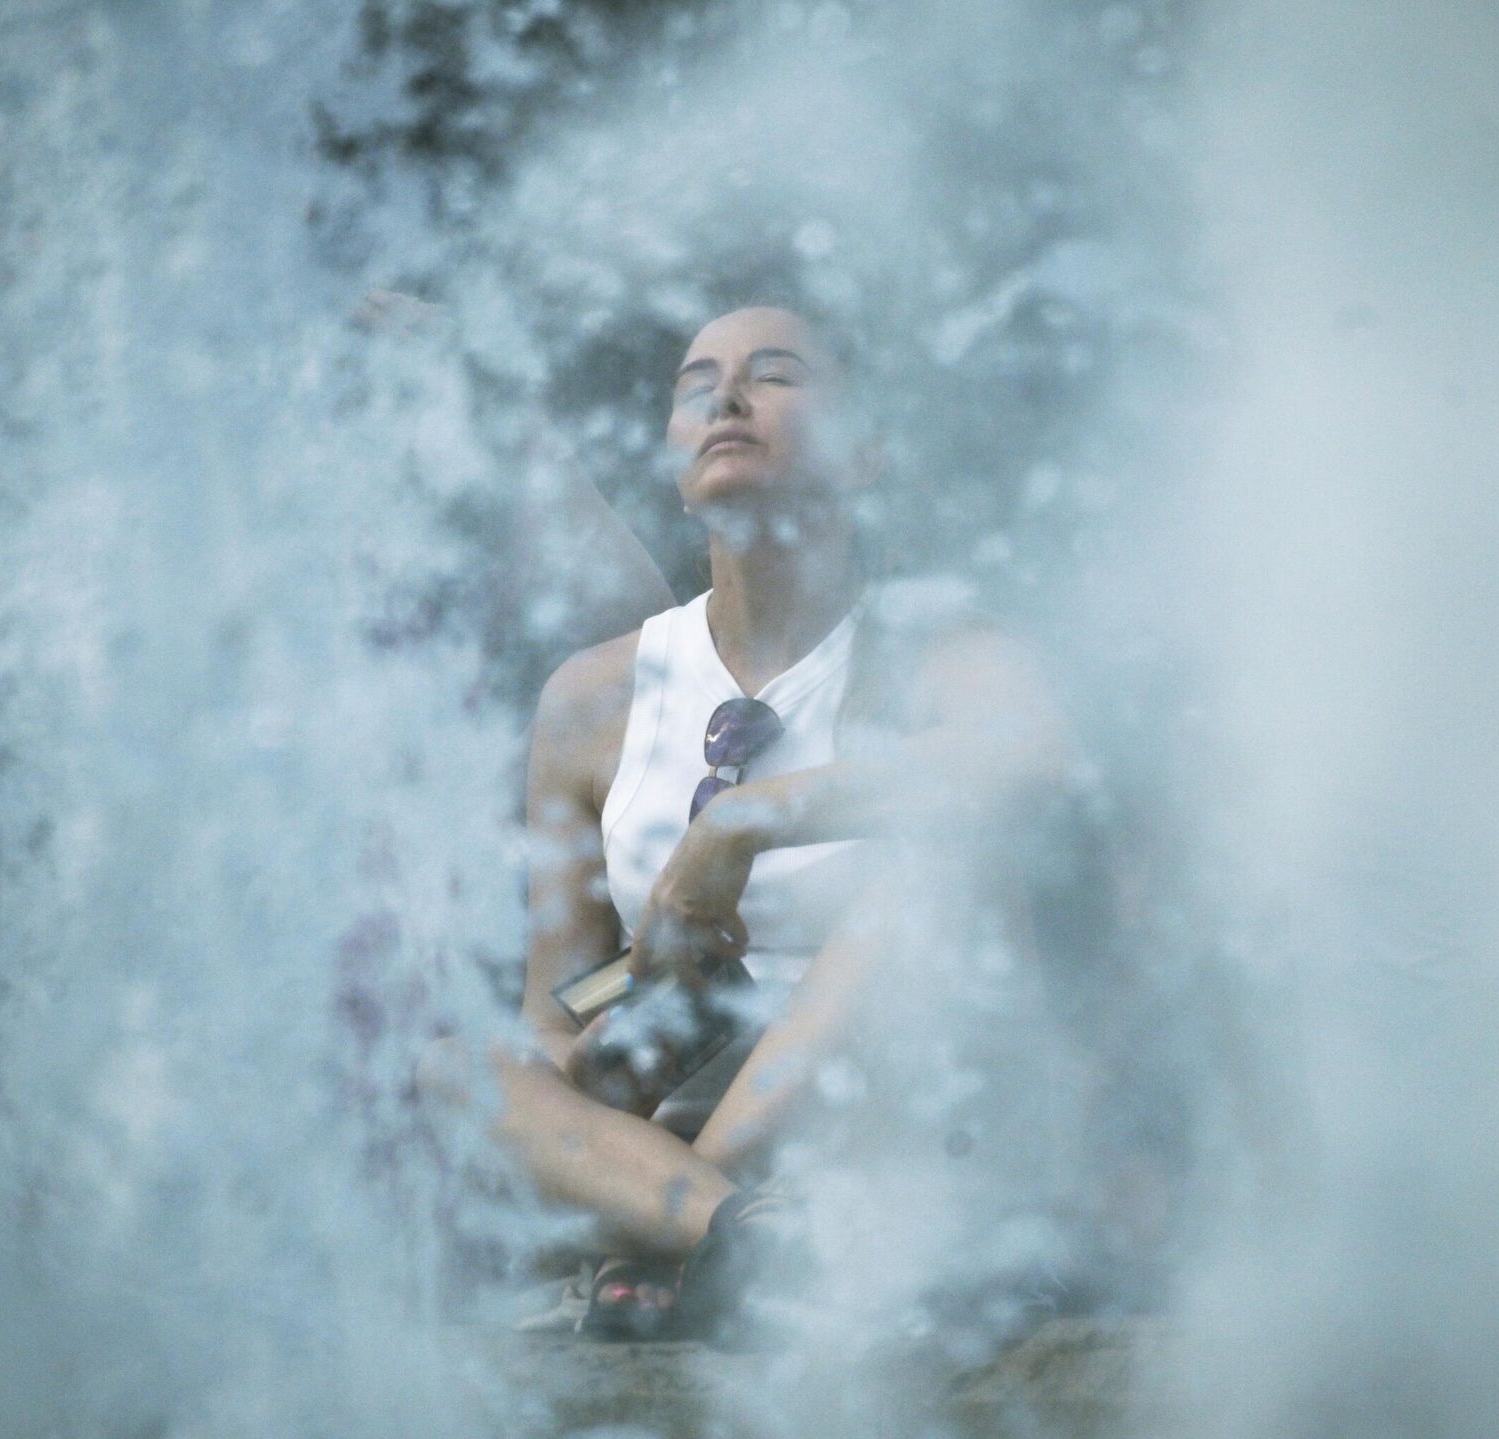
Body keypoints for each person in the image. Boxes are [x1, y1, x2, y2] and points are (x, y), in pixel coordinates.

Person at [420, 302, 1074, 1340]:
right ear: (676, 462)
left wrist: (741, 825)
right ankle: (735, 1231)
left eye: (775, 374)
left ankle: (664, 1233)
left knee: (932, 881)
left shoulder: (939, 647)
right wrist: (604, 1048)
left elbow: (1032, 758)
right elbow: (554, 1011)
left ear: (865, 450)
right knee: (455, 1067)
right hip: (680, 1125)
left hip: (883, 1120)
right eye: (697, 387)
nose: (726, 396)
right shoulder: (593, 697)